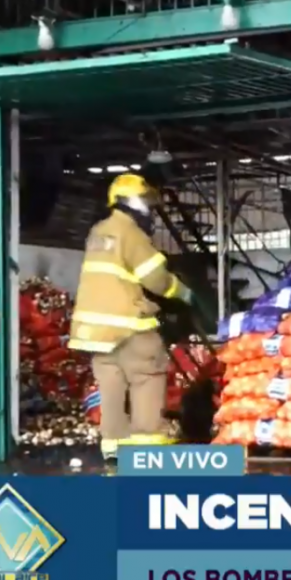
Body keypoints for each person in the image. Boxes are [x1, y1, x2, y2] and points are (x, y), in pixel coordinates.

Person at [68, 173, 194, 460]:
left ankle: (113, 446)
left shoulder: (98, 232)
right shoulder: (131, 233)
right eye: (146, 204)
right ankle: (147, 446)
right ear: (134, 202)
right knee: (146, 377)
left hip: (96, 332)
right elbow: (156, 279)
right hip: (129, 327)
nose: (149, 211)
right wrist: (183, 293)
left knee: (111, 386)